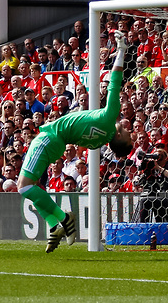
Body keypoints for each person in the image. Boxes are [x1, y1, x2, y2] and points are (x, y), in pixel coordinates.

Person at [17, 32, 133, 253]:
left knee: (24, 187)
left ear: (119, 137)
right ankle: (53, 226)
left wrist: (121, 51)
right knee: (31, 186)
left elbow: (115, 81)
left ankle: (63, 218)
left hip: (50, 138)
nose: (127, 128)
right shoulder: (99, 142)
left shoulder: (109, 118)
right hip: (56, 144)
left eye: (127, 133)